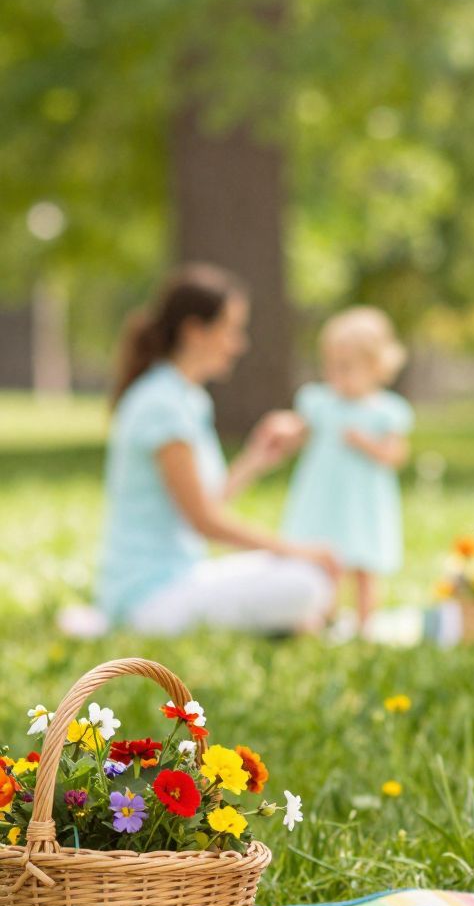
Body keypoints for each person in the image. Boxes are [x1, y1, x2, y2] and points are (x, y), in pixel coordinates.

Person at [91, 265, 338, 636]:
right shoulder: (162, 404)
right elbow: (203, 521)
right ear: (194, 331)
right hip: (148, 597)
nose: (239, 344)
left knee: (302, 575)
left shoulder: (187, 398)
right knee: (305, 581)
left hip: (182, 576)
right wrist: (296, 550)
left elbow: (205, 501)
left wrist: (257, 456)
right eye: (232, 329)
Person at [279, 307, 414, 636]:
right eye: (331, 367)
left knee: (365, 563)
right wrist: (288, 433)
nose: (336, 376)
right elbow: (302, 433)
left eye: (346, 368)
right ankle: (325, 615)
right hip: (325, 494)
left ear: (375, 367)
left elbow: (397, 455)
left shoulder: (386, 411)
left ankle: (366, 622)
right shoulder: (320, 402)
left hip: (362, 499)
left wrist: (367, 444)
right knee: (327, 560)